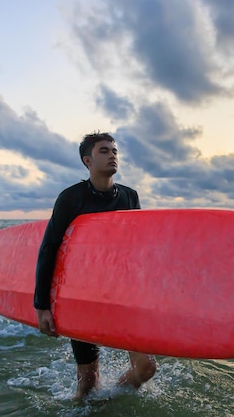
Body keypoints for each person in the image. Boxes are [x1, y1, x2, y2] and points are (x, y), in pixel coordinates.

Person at [34, 132, 156, 399]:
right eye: (104, 151)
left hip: (122, 295)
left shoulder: (129, 197)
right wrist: (42, 305)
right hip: (83, 296)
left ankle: (111, 398)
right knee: (87, 384)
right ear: (87, 160)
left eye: (114, 150)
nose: (112, 155)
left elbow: (136, 249)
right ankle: (89, 406)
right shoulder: (71, 199)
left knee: (146, 368)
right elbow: (49, 248)